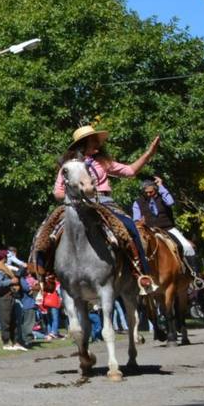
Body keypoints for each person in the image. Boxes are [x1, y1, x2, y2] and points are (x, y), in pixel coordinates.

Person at [53, 124, 160, 290]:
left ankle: (141, 273)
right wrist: (74, 195)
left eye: (97, 141)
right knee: (47, 231)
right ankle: (45, 275)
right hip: (75, 205)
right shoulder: (69, 166)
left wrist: (149, 154)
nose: (98, 144)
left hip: (104, 202)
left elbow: (130, 171)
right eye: (93, 141)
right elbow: (58, 192)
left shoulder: (103, 162)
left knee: (130, 227)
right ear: (83, 144)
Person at [132, 175, 198, 268]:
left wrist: (161, 186)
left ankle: (195, 276)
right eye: (145, 192)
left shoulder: (163, 197)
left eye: (150, 192)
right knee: (137, 250)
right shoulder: (137, 203)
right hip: (150, 231)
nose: (148, 194)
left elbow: (170, 202)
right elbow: (136, 219)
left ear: (155, 189)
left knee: (187, 247)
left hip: (168, 229)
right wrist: (139, 222)